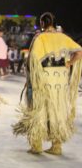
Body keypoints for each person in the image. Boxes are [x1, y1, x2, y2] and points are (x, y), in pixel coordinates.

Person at [13, 12, 82, 155]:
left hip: (44, 78)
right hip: (61, 80)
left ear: (43, 23)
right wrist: (69, 63)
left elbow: (33, 59)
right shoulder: (63, 37)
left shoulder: (40, 38)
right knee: (57, 109)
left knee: (39, 109)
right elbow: (79, 51)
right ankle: (56, 146)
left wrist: (31, 78)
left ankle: (36, 145)